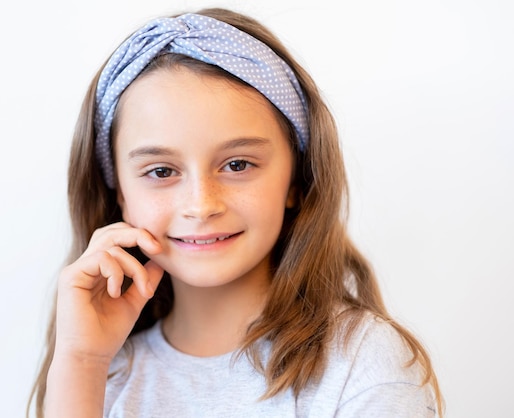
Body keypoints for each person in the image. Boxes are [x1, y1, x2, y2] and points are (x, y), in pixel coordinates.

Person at [28, 7, 443, 418]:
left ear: (297, 178)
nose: (202, 205)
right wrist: (81, 362)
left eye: (238, 165)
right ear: (118, 192)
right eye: (160, 171)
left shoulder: (362, 365)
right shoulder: (97, 372)